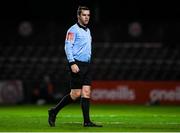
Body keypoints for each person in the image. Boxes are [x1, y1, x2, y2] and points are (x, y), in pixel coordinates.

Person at [48, 6, 102, 127]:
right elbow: (67, 47)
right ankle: (54, 111)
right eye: (84, 15)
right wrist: (72, 63)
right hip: (77, 64)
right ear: (78, 16)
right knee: (76, 94)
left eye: (88, 15)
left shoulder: (88, 30)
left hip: (87, 65)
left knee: (86, 92)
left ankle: (87, 122)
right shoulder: (72, 30)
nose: (86, 17)